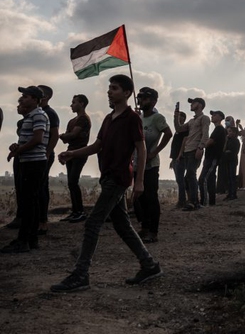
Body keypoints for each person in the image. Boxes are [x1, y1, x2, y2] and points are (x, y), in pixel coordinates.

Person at [51, 74, 161, 292]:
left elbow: (141, 148)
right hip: (107, 175)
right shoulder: (109, 119)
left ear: (127, 93)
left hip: (119, 177)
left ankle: (81, 274)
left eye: (115, 88)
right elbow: (96, 146)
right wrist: (72, 153)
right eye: (109, 88)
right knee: (122, 225)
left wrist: (139, 182)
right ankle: (149, 265)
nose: (110, 91)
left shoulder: (132, 118)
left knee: (93, 223)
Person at [2, 86, 50, 253]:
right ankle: (31, 239)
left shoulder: (38, 114)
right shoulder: (32, 116)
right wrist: (18, 145)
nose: (21, 99)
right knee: (32, 201)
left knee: (29, 202)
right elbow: (31, 138)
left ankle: (23, 241)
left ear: (36, 100)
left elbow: (37, 139)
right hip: (30, 161)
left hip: (34, 163)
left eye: (26, 96)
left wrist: (19, 150)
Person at [135, 88, 171, 242]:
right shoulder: (139, 118)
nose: (141, 100)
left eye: (144, 98)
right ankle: (144, 226)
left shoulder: (157, 118)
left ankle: (153, 231)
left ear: (153, 101)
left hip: (150, 164)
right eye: (139, 97)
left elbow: (168, 133)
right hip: (137, 163)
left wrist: (154, 152)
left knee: (151, 197)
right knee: (139, 197)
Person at [58, 94, 91, 223]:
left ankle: (80, 211)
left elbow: (72, 135)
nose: (71, 105)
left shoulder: (83, 119)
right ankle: (75, 211)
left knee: (73, 181)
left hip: (79, 152)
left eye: (74, 102)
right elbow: (68, 139)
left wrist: (64, 136)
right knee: (71, 183)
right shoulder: (72, 121)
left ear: (82, 103)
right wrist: (66, 136)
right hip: (71, 152)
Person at [174, 98, 210, 211]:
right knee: (188, 176)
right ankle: (192, 201)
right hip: (187, 150)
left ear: (199, 105)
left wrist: (201, 147)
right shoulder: (191, 121)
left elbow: (205, 133)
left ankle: (194, 202)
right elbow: (179, 129)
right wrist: (175, 116)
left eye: (193, 103)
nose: (191, 105)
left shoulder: (204, 118)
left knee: (190, 174)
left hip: (195, 149)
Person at [37, 85, 59, 236]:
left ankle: (43, 222)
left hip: (44, 155)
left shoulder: (50, 113)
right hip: (37, 155)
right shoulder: (37, 112)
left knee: (41, 187)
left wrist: (47, 152)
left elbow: (55, 135)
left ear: (46, 97)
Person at [199, 110, 226, 207]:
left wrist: (201, 146)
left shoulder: (219, 129)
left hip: (212, 158)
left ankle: (203, 202)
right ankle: (211, 202)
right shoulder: (217, 129)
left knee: (203, 179)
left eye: (215, 115)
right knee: (210, 180)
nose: (212, 116)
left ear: (220, 117)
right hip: (210, 158)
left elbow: (209, 142)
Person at [169, 111, 187, 208]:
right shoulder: (177, 132)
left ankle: (182, 200)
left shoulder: (184, 130)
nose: (177, 118)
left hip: (180, 158)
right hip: (175, 157)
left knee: (180, 180)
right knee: (179, 179)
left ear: (183, 118)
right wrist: (172, 159)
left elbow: (183, 144)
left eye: (179, 116)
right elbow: (174, 146)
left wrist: (180, 155)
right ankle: (182, 200)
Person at [222, 125, 241, 201]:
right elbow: (224, 149)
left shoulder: (236, 141)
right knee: (228, 177)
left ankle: (233, 194)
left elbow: (233, 151)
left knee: (232, 177)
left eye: (230, 131)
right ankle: (229, 193)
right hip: (227, 160)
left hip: (232, 160)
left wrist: (228, 151)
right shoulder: (228, 140)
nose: (228, 133)